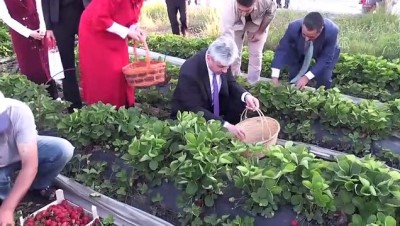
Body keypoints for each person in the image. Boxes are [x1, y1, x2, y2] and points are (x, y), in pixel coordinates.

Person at [0, 91, 74, 225]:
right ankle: (7, 199)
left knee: (62, 149)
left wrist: (7, 209)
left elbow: (30, 164)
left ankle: (38, 185)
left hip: (21, 150)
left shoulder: (18, 111)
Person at [171, 36, 261, 140]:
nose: (225, 71)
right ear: (209, 58)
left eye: (228, 66)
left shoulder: (223, 59)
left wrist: (246, 96)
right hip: (193, 112)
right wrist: (225, 125)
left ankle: (229, 130)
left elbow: (231, 82)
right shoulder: (189, 72)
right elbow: (195, 108)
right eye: (221, 67)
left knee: (239, 101)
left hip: (214, 104)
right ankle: (221, 129)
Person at [78, 0, 146, 108]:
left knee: (121, 70)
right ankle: (103, 109)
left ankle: (123, 106)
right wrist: (127, 32)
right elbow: (100, 18)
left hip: (115, 33)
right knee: (106, 73)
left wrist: (136, 29)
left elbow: (130, 17)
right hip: (95, 33)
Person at [0, 0, 59, 99]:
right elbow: (6, 18)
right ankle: (37, 98)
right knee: (30, 66)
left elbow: (40, 7)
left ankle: (54, 96)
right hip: (21, 35)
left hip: (38, 28)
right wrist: (28, 33)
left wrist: (43, 27)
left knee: (45, 64)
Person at [270, 12, 340, 89]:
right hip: (300, 48)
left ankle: (323, 94)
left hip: (324, 51)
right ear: (302, 25)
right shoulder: (293, 27)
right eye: (304, 34)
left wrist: (307, 77)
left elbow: (326, 58)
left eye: (311, 37)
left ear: (320, 31)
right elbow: (282, 50)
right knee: (294, 73)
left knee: (324, 77)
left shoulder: (332, 31)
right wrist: (275, 76)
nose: (306, 39)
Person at [42, 0, 85, 112]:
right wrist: (48, 27)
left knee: (92, 59)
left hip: (84, 13)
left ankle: (97, 100)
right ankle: (73, 105)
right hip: (60, 19)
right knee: (66, 64)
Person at [221, 0, 276, 84]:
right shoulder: (229, 7)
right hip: (236, 21)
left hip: (257, 21)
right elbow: (227, 32)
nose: (243, 13)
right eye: (240, 9)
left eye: (247, 10)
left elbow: (270, 13)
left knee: (256, 53)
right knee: (233, 52)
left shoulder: (266, 1)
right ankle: (234, 80)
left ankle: (253, 84)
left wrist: (260, 32)